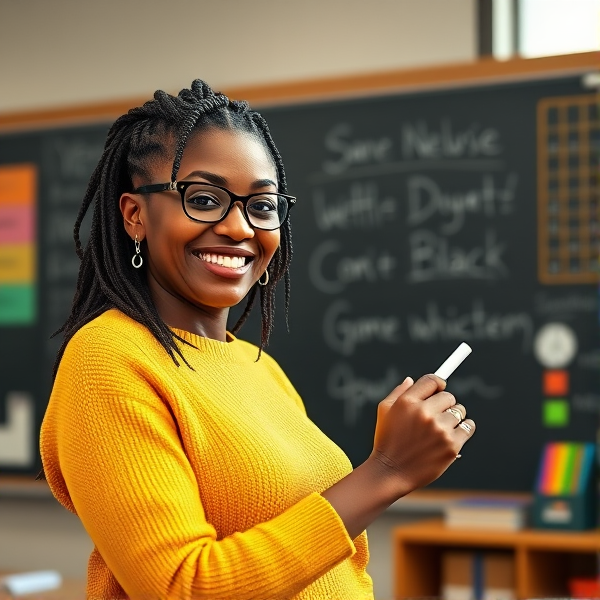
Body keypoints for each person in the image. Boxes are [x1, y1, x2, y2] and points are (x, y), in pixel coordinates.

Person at [40, 79, 475, 600]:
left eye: (262, 206)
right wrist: (387, 471)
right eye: (204, 199)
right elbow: (183, 587)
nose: (239, 228)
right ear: (135, 215)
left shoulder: (257, 367)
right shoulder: (109, 359)